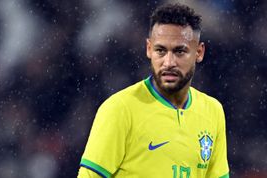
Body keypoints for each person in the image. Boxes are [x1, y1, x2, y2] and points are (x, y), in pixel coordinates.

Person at [78, 3, 229, 178]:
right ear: (149, 49)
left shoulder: (213, 111)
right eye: (161, 51)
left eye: (180, 51)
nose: (169, 62)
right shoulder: (120, 109)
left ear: (199, 52)